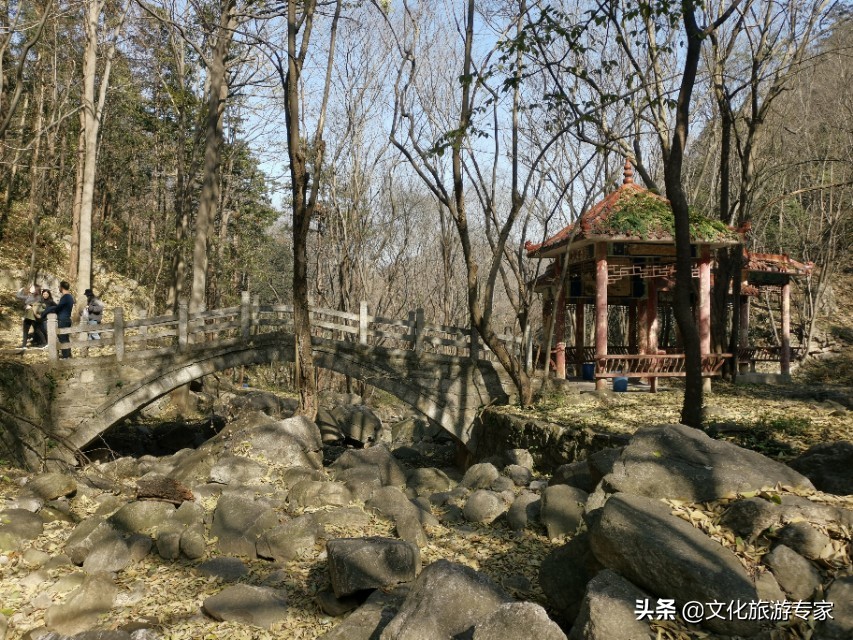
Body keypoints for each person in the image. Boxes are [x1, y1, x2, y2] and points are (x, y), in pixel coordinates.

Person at [44, 281, 75, 358]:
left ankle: (66, 356)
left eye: (59, 287)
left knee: (63, 338)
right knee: (65, 337)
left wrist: (50, 309)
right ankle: (68, 355)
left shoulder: (66, 297)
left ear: (62, 287)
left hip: (63, 319)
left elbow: (58, 307)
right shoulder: (69, 297)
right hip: (66, 319)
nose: (58, 288)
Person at [15, 284, 41, 349]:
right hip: (27, 316)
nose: (30, 288)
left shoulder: (38, 297)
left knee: (37, 330)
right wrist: (21, 289)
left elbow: (38, 304)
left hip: (33, 316)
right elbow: (18, 296)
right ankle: (24, 346)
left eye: (32, 287)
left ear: (36, 289)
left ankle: (44, 343)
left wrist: (30, 305)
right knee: (25, 330)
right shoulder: (29, 296)